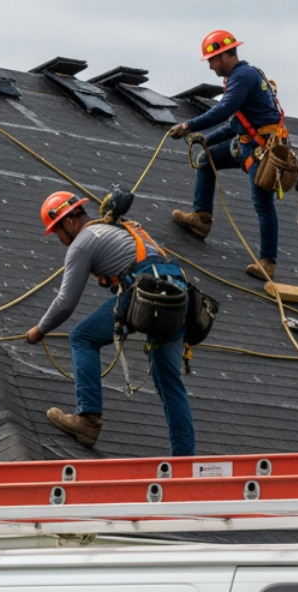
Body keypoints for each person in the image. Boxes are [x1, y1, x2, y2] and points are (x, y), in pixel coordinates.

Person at [25, 192, 196, 455]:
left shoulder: (82, 242)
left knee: (82, 338)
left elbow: (65, 303)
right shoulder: (113, 229)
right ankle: (184, 459)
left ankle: (88, 420)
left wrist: (39, 330)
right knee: (169, 382)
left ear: (69, 222)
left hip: (146, 291)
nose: (60, 241)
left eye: (57, 232)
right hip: (177, 294)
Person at [167, 30, 286, 281]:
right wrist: (206, 139)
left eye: (211, 60)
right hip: (245, 145)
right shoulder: (241, 76)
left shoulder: (242, 76)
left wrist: (190, 126)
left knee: (263, 204)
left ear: (222, 55)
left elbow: (224, 109)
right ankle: (202, 219)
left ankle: (268, 262)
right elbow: (236, 122)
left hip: (261, 150)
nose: (210, 66)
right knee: (205, 160)